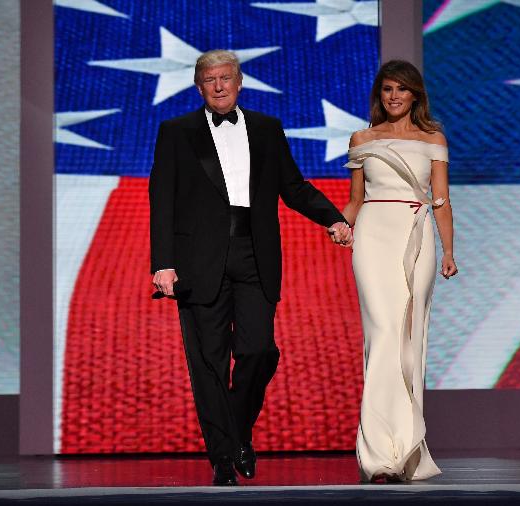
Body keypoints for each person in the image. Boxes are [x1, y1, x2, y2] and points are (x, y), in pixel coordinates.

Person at [149, 49, 352, 486]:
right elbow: (161, 199)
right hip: (198, 262)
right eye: (209, 79)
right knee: (209, 363)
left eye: (226, 78)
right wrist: (163, 264)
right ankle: (222, 456)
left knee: (259, 351)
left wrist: (333, 217)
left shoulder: (266, 128)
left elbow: (293, 187)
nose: (219, 86)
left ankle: (238, 430)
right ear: (198, 86)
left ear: (240, 83)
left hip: (255, 253)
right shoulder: (176, 132)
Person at [341, 60, 458, 482]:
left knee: (409, 337)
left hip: (417, 234)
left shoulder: (432, 139)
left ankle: (405, 450)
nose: (394, 96)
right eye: (388, 89)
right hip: (373, 235)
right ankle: (377, 456)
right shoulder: (362, 138)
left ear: (415, 96)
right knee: (383, 335)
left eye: (402, 90)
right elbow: (355, 199)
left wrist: (448, 250)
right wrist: (342, 223)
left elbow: (441, 200)